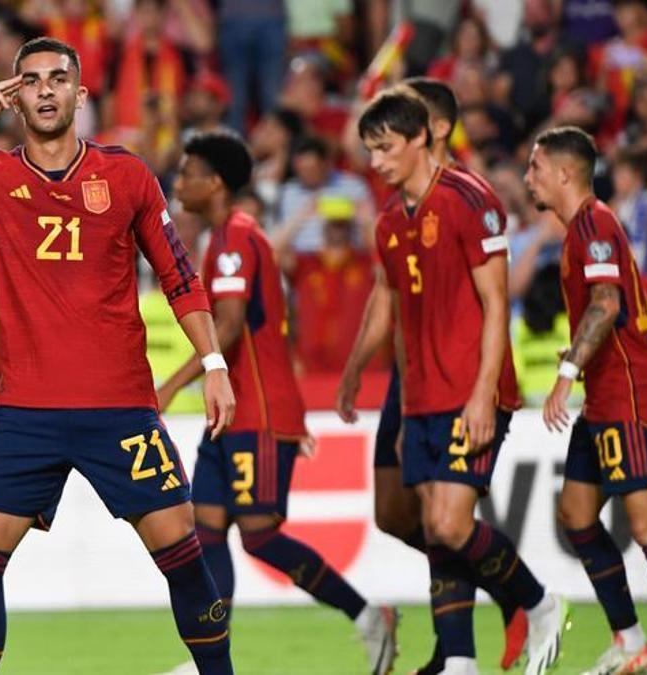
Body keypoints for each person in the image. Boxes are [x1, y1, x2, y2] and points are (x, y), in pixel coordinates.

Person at [0, 37, 237, 674]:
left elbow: (180, 277)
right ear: (14, 98)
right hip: (27, 411)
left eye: (58, 78)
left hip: (120, 408)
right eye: (31, 81)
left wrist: (213, 365)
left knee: (181, 556)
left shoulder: (126, 175)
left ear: (79, 93)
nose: (45, 90)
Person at [156, 130, 398, 675]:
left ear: (215, 182)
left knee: (260, 536)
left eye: (188, 171)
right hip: (236, 411)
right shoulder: (223, 239)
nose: (180, 181)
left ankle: (367, 616)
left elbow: (233, 326)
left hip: (257, 414)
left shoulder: (238, 236)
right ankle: (210, 658)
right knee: (208, 529)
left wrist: (170, 386)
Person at [357, 90, 568, 675]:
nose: (376, 162)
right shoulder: (388, 222)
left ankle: (536, 599)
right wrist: (394, 407)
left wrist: (483, 396)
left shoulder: (470, 199)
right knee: (435, 527)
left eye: (385, 148)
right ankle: (458, 659)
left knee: (450, 523)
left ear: (423, 137)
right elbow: (400, 314)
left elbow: (496, 302)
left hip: (469, 389)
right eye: (370, 151)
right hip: (421, 395)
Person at [528, 126, 647, 675]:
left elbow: (607, 303)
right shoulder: (579, 230)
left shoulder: (594, 223)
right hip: (605, 393)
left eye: (536, 168)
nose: (528, 178)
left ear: (565, 172)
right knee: (578, 514)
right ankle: (632, 643)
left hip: (631, 390)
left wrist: (567, 371)